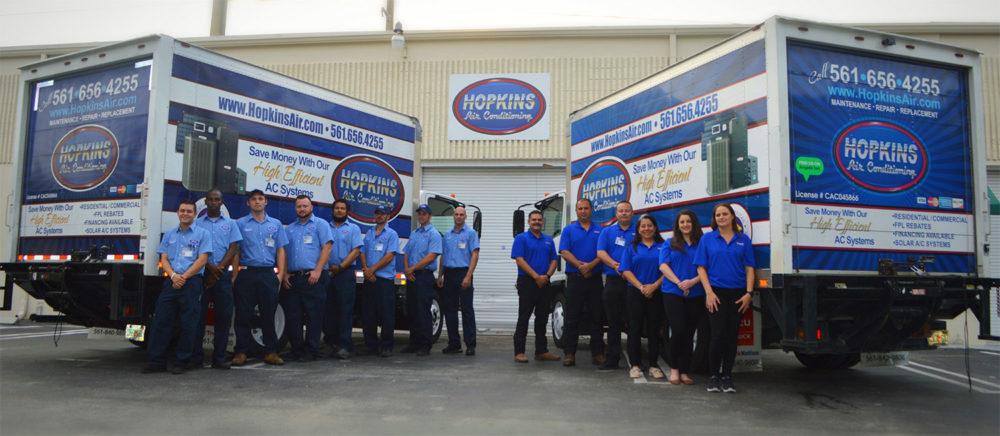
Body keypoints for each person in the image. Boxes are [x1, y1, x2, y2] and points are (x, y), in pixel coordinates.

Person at [143, 200, 212, 374]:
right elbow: (164, 259)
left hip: (192, 282)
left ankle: (182, 361)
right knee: (161, 321)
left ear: (195, 214)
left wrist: (184, 277)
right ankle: (156, 361)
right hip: (171, 282)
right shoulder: (169, 235)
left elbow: (202, 259)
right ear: (177, 213)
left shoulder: (203, 234)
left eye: (189, 211)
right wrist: (174, 276)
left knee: (189, 324)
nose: (185, 214)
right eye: (182, 211)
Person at [693, 203, 755, 393]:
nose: (721, 217)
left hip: (738, 294)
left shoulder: (743, 240)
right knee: (717, 335)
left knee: (731, 337)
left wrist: (749, 294)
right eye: (718, 215)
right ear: (715, 219)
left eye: (724, 214)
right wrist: (709, 292)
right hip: (716, 293)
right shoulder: (708, 239)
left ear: (732, 217)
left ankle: (727, 377)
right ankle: (713, 377)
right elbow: (701, 267)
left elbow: (749, 268)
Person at [232, 189, 289, 366]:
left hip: (267, 274)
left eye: (261, 199)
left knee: (268, 313)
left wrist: (280, 274)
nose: (257, 202)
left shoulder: (276, 224)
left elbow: (280, 249)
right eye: (254, 199)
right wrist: (235, 275)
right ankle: (241, 352)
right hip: (247, 273)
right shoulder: (240, 224)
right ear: (248, 203)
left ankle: (270, 352)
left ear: (266, 202)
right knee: (243, 314)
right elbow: (236, 250)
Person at [191, 188, 241, 370]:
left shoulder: (230, 224)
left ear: (222, 202)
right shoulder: (196, 224)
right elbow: (195, 249)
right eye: (210, 199)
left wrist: (219, 269)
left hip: (222, 277)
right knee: (198, 317)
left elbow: (234, 247)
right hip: (202, 275)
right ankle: (196, 357)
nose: (213, 202)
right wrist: (209, 268)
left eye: (217, 199)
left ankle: (219, 357)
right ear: (206, 202)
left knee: (223, 317)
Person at [281, 195, 333, 362]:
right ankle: (296, 349)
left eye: (305, 206)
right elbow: (285, 253)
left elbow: (327, 247)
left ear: (311, 208)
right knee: (293, 316)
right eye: (299, 206)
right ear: (295, 209)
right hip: (294, 278)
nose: (302, 209)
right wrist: (286, 273)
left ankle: (312, 349)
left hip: (313, 277)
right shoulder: (289, 229)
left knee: (314, 315)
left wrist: (317, 270)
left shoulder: (321, 225)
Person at [658, 209, 705, 385]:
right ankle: (675, 369)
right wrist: (680, 283)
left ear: (694, 224)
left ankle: (685, 371)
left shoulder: (702, 243)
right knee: (677, 330)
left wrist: (692, 282)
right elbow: (663, 266)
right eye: (682, 222)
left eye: (688, 222)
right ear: (678, 225)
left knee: (689, 332)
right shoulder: (670, 243)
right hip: (673, 291)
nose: (685, 225)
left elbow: (708, 268)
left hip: (696, 292)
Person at [558, 198, 606, 367]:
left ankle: (598, 353)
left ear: (591, 210)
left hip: (594, 280)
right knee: (572, 317)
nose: (583, 211)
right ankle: (569, 353)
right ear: (576, 211)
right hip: (575, 280)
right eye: (580, 208)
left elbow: (603, 253)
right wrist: (580, 266)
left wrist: (591, 266)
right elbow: (564, 251)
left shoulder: (601, 230)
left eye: (586, 208)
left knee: (597, 317)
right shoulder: (568, 230)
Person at [618, 214, 666, 379]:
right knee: (634, 329)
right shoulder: (632, 247)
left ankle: (653, 365)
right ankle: (635, 365)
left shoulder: (663, 246)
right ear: (638, 229)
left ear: (655, 228)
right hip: (635, 293)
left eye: (650, 225)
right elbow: (625, 270)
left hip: (656, 292)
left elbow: (667, 270)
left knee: (654, 330)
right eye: (643, 226)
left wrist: (653, 286)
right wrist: (641, 287)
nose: (646, 229)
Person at [510, 210, 561, 363]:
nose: (537, 222)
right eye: (534, 220)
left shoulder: (548, 240)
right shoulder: (521, 238)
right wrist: (536, 276)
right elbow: (519, 260)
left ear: (543, 222)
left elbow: (554, 260)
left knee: (542, 318)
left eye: (539, 220)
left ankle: (541, 351)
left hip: (544, 282)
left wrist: (546, 276)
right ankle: (519, 352)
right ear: (529, 222)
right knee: (524, 317)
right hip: (527, 282)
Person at [595, 200, 635, 370]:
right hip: (613, 282)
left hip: (632, 283)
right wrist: (615, 265)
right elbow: (601, 252)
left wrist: (628, 270)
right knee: (613, 323)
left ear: (632, 213)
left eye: (627, 210)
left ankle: (636, 361)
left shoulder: (639, 231)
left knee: (634, 323)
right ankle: (612, 360)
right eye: (621, 211)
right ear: (616, 214)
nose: (624, 213)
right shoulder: (607, 232)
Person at [436, 205, 480, 356]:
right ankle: (454, 343)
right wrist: (440, 275)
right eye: (456, 214)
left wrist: (468, 276)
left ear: (465, 217)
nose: (459, 217)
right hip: (449, 274)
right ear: (453, 216)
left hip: (464, 274)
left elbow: (475, 255)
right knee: (450, 310)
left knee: (467, 310)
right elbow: (443, 256)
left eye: (461, 214)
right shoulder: (447, 235)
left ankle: (470, 344)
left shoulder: (471, 233)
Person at [401, 204, 442, 356]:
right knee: (412, 310)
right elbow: (406, 253)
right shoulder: (414, 233)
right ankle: (414, 343)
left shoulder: (434, 234)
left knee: (423, 311)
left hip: (424, 276)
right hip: (412, 276)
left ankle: (425, 344)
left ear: (429, 216)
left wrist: (413, 268)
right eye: (419, 214)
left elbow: (431, 256)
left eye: (424, 214)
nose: (421, 216)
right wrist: (407, 270)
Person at [324, 198, 363, 359]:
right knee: (328, 310)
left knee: (345, 310)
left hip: (345, 273)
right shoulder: (325, 227)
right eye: (337, 208)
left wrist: (340, 267)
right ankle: (331, 343)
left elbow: (356, 251)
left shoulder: (353, 228)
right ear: (333, 210)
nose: (339, 211)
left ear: (347, 211)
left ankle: (345, 345)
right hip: (327, 273)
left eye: (342, 208)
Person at [361, 205, 400, 357]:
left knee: (386, 315)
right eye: (377, 213)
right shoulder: (369, 233)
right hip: (369, 279)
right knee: (368, 314)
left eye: (382, 214)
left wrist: (372, 269)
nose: (379, 216)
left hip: (384, 280)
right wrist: (365, 269)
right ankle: (370, 346)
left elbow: (389, 256)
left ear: (387, 216)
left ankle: (386, 346)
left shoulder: (392, 234)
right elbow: (362, 252)